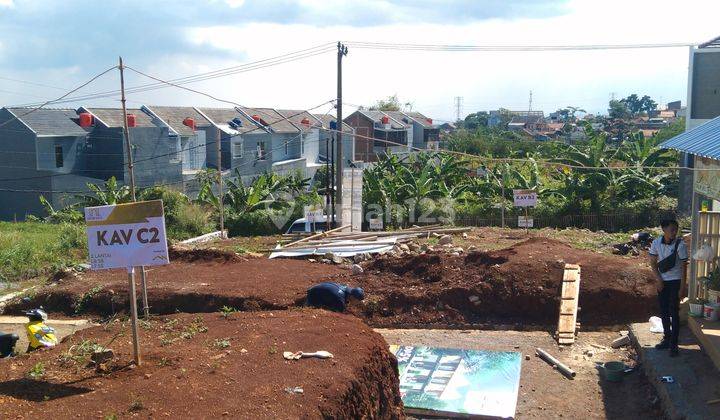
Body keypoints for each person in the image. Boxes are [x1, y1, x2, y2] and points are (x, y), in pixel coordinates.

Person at [648, 219, 688, 357]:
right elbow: (653, 263)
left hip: (676, 281)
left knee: (674, 312)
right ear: (663, 229)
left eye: (675, 229)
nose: (674, 232)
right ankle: (667, 338)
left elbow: (684, 267)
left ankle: (674, 345)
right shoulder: (656, 243)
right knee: (664, 310)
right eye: (671, 229)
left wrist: (683, 287)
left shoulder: (680, 245)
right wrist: (658, 279)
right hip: (663, 282)